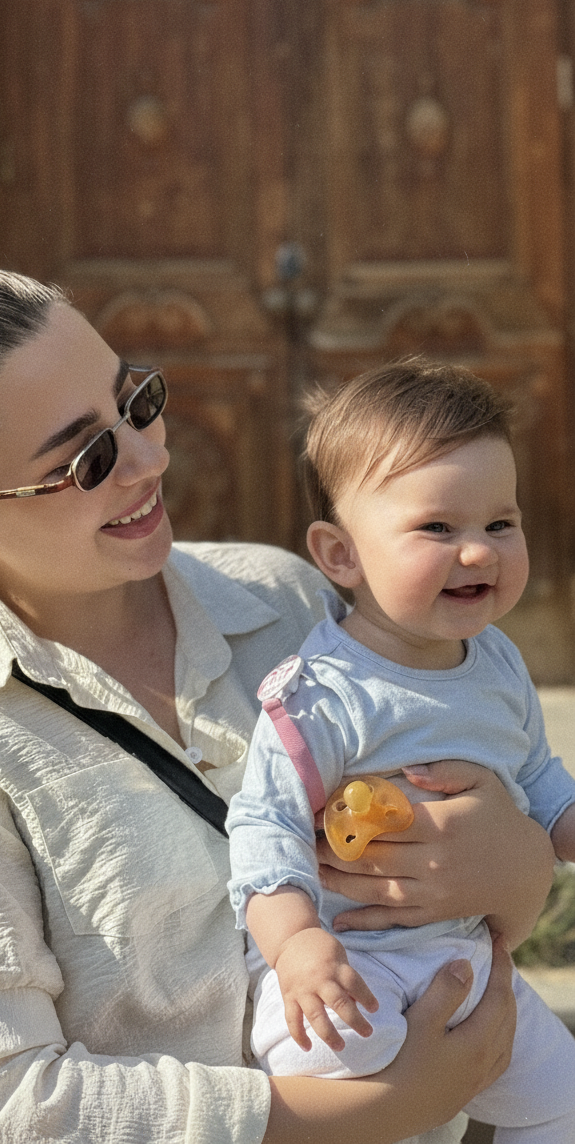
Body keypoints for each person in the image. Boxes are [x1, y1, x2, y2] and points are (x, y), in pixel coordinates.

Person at [0, 270, 547, 1144]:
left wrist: (519, 872)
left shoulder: (288, 602)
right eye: (86, 460)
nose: (148, 458)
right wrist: (368, 1111)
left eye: (136, 403)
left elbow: (470, 884)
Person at [227, 359, 575, 1142]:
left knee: (563, 1096)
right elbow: (263, 825)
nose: (479, 552)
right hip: (346, 966)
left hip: (461, 955)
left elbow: (538, 778)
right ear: (340, 555)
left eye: (500, 524)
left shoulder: (497, 661)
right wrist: (296, 943)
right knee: (348, 1061)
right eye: (438, 529)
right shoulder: (322, 692)